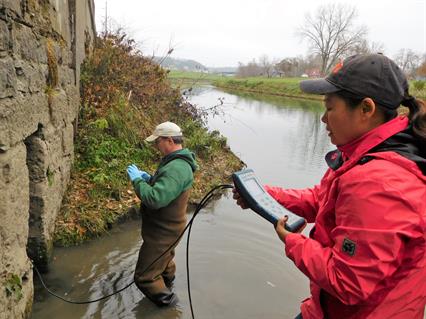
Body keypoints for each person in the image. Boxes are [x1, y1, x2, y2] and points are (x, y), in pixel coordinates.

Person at [233, 54, 426, 318]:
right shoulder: (366, 153)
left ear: (366, 109)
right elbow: (321, 200)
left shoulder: (379, 182)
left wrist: (293, 241)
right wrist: (264, 195)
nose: (323, 119)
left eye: (330, 107)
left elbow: (348, 283)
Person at [127, 121, 197, 307]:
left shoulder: (176, 168)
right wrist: (149, 179)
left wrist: (137, 182)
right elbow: (168, 190)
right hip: (169, 228)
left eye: (157, 142)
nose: (156, 146)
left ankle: (170, 306)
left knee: (144, 277)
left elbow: (155, 199)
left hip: (163, 232)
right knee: (164, 262)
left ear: (168, 140)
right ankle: (168, 284)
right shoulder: (176, 163)